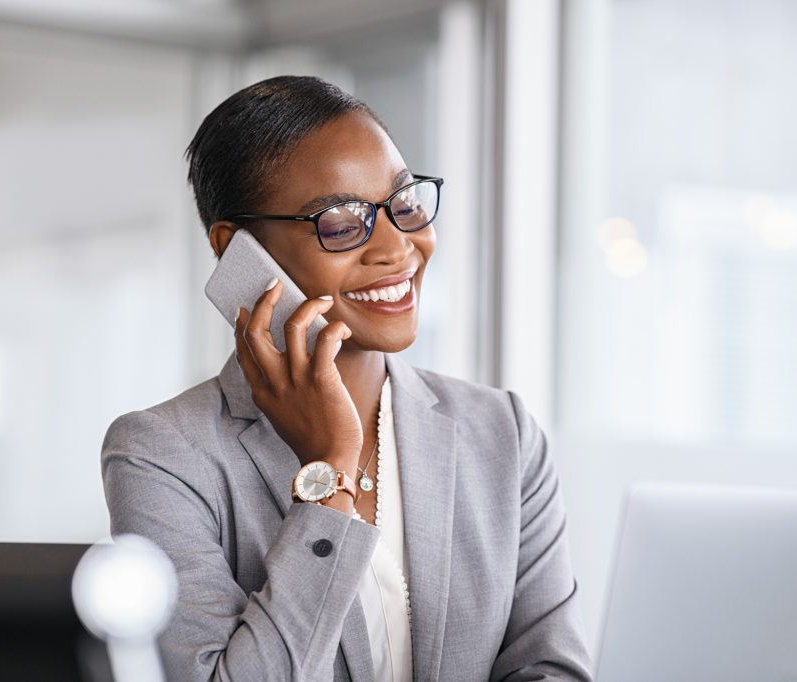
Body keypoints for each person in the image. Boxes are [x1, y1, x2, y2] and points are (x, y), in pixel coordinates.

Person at [101, 75, 593, 681]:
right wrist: (328, 472)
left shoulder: (501, 433)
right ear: (238, 250)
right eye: (340, 221)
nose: (396, 247)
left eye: (405, 202)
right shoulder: (162, 456)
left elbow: (551, 670)